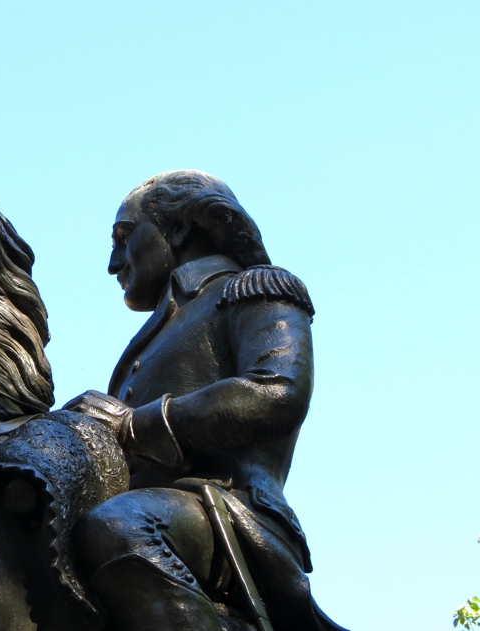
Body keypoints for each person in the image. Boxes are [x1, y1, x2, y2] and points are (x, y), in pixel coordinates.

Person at [65, 171, 345, 631]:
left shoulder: (255, 288)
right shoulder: (155, 333)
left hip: (228, 509)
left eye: (124, 237)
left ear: (176, 229)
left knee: (121, 529)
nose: (114, 263)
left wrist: (132, 427)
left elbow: (277, 392)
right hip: (152, 503)